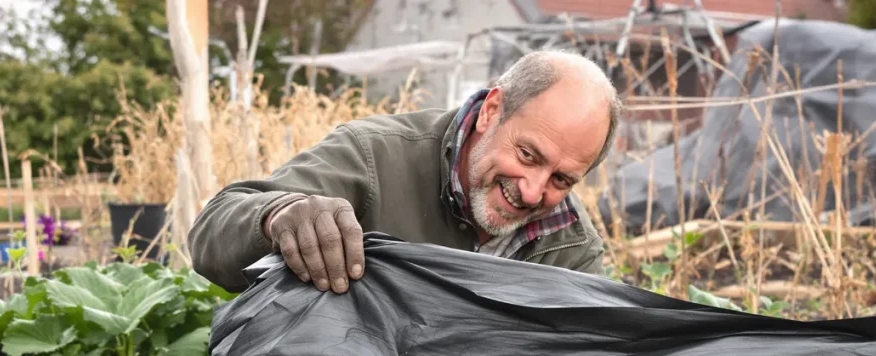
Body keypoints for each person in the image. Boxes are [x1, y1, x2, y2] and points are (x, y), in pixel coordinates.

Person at [188, 49, 622, 294]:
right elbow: (211, 234)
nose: (532, 192)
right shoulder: (374, 158)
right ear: (492, 111)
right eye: (528, 155)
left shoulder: (571, 247)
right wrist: (279, 215)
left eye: (561, 179)